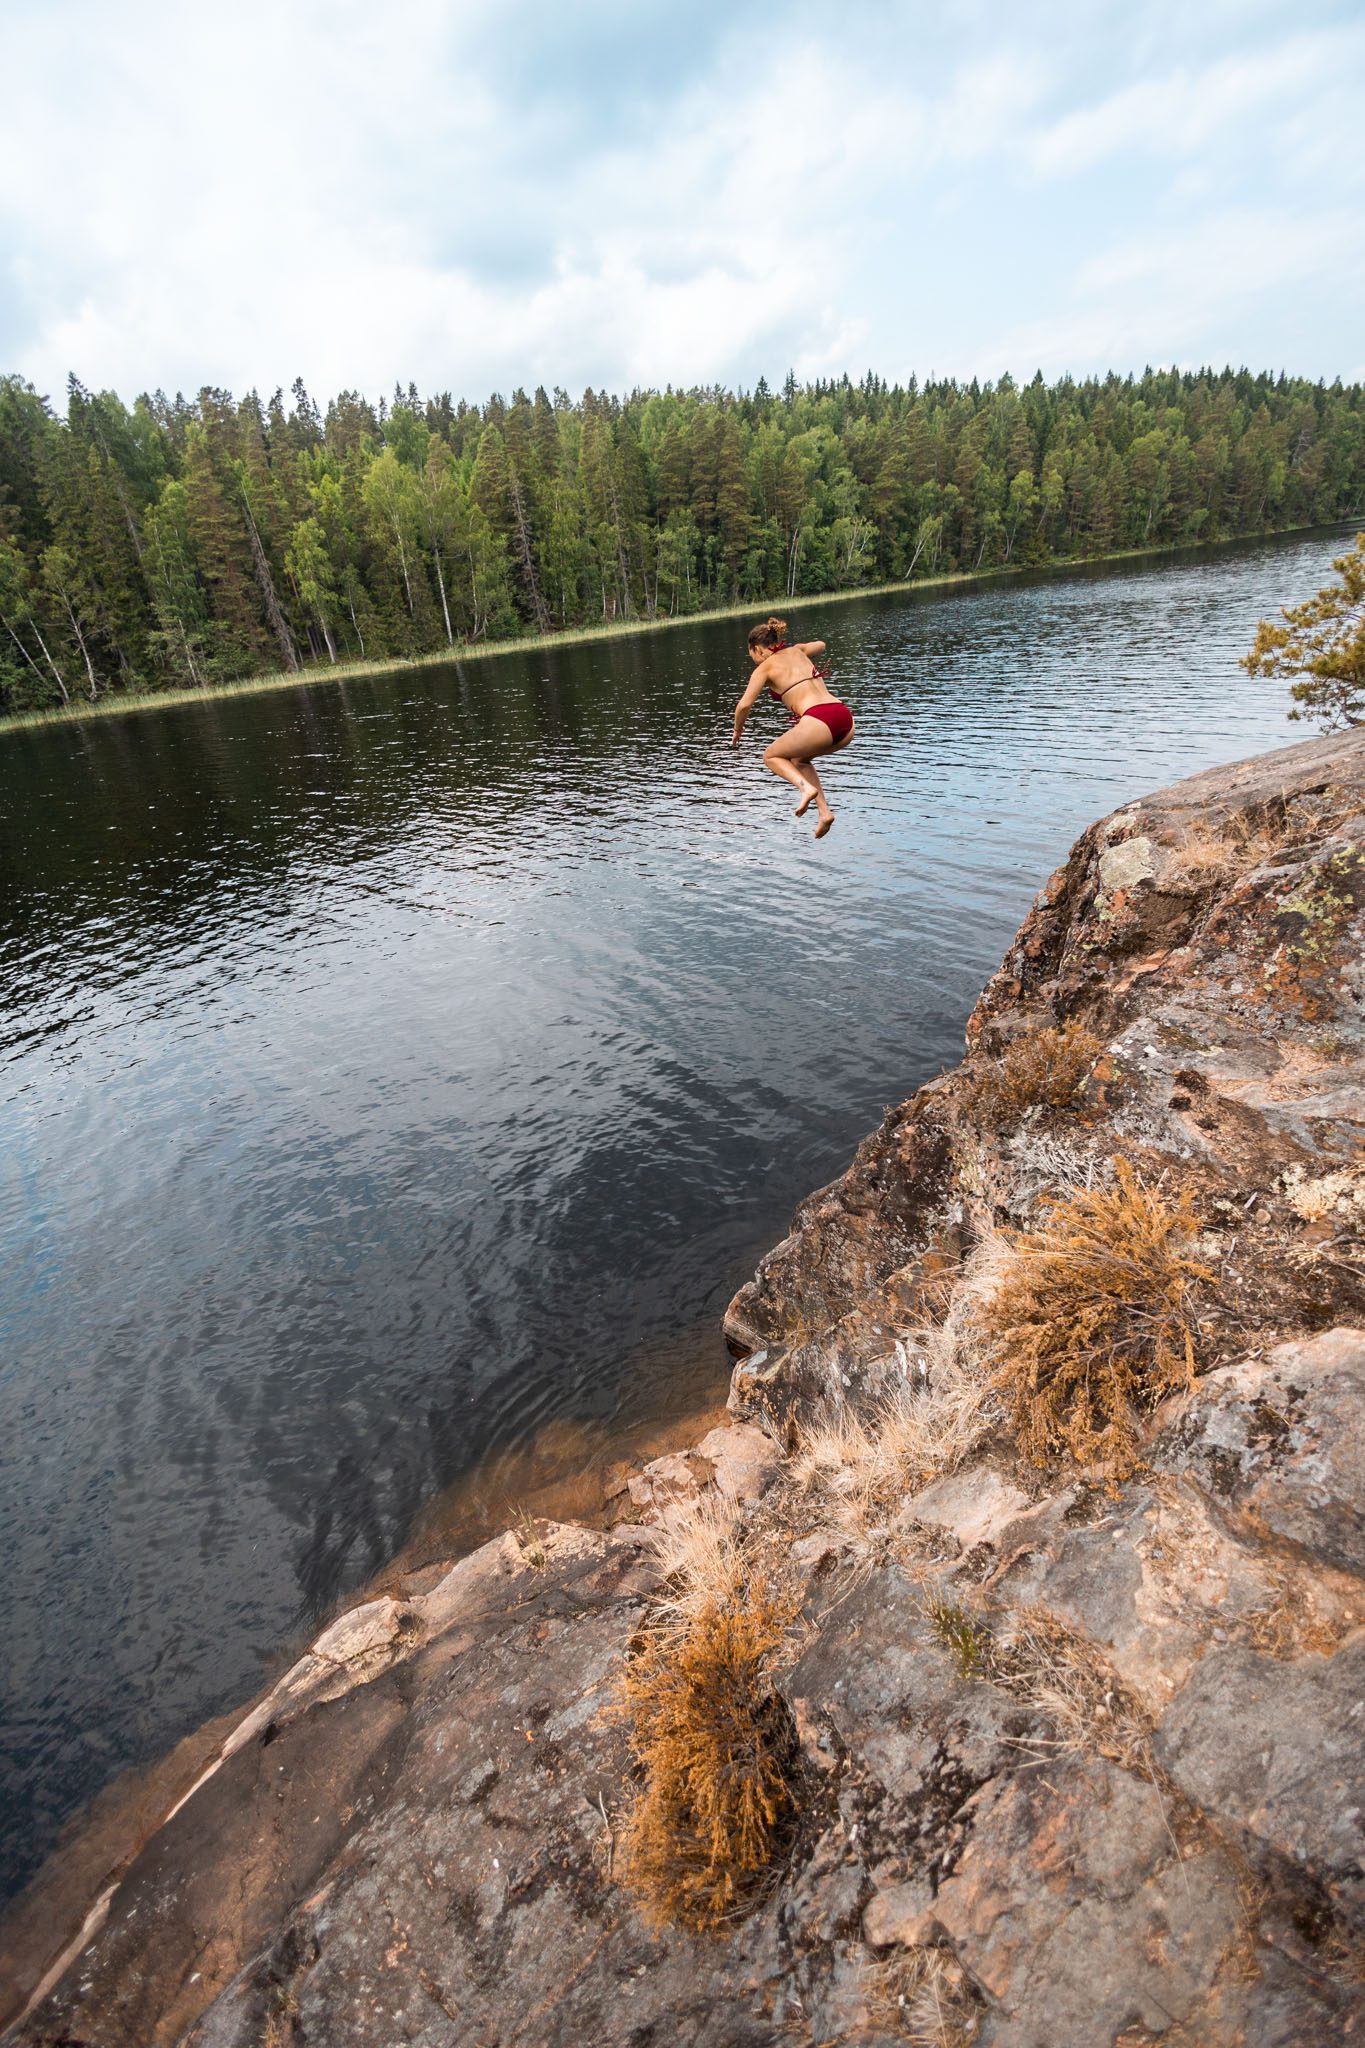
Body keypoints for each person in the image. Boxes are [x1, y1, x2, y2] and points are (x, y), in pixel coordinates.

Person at [731, 616, 855, 838]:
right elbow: (821, 645)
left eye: (750, 653)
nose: (752, 659)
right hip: (845, 719)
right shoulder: (798, 651)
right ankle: (824, 813)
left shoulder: (764, 668)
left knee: (770, 756)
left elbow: (744, 705)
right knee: (799, 760)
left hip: (819, 720)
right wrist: (802, 649)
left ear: (757, 649)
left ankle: (805, 788)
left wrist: (738, 729)